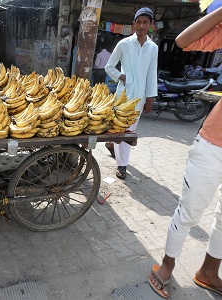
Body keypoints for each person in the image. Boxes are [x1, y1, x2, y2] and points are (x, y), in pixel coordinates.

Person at [149, 6, 222, 299]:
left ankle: (208, 272)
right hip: (214, 144)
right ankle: (166, 266)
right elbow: (183, 41)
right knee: (190, 210)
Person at [104, 7, 158, 179]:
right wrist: (122, 76)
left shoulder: (153, 48)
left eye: (145, 22)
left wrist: (150, 97)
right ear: (133, 24)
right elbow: (109, 66)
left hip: (140, 97)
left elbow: (152, 73)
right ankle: (122, 165)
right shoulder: (124, 44)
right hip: (123, 96)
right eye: (139, 22)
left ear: (151, 25)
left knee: (128, 131)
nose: (141, 25)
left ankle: (114, 146)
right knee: (123, 130)